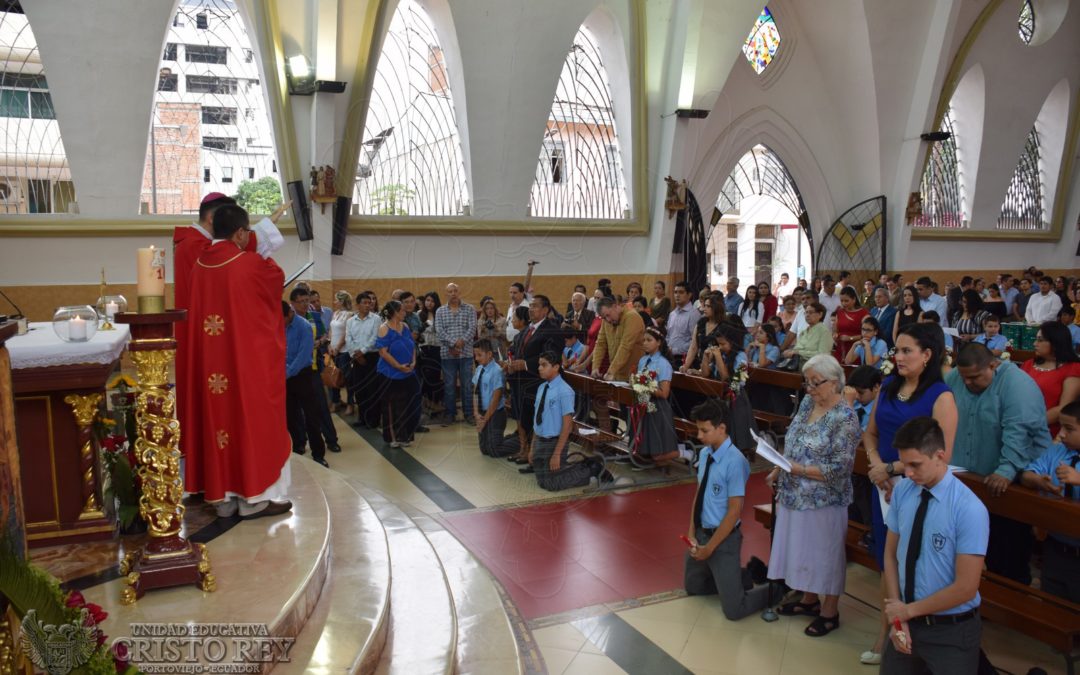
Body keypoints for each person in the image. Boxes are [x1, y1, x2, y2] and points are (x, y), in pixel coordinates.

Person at [182, 204, 293, 519]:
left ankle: (223, 497)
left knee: (219, 423)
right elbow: (275, 278)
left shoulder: (199, 265)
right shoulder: (248, 265)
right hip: (243, 365)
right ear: (241, 233)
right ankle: (254, 497)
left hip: (211, 367)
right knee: (249, 419)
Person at [860, 323, 956, 665]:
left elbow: (942, 453)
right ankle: (886, 634)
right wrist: (876, 465)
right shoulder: (888, 386)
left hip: (917, 488)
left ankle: (910, 637)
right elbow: (870, 435)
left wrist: (891, 469)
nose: (897, 357)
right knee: (887, 563)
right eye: (896, 351)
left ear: (927, 355)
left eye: (906, 351)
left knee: (910, 563)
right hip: (883, 487)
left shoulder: (940, 396)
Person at [881, 417, 989, 675]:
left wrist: (907, 611)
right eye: (904, 464)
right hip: (906, 620)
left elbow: (965, 587)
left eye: (915, 465)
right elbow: (890, 555)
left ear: (939, 456)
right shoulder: (904, 491)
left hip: (950, 632)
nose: (907, 473)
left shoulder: (969, 509)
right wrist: (898, 616)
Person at [767, 355, 861, 637]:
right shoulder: (809, 403)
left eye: (815, 383)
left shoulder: (845, 418)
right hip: (794, 493)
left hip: (824, 499)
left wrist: (798, 469)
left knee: (825, 554)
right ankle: (808, 599)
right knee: (801, 548)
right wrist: (778, 467)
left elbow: (840, 469)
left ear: (834, 383)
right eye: (806, 382)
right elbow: (794, 439)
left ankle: (829, 612)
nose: (809, 389)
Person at [946, 343, 1051, 584]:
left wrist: (1006, 470)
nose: (968, 383)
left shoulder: (1018, 385)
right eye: (964, 378)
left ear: (993, 365)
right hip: (971, 478)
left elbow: (1019, 432)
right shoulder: (955, 379)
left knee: (1009, 548)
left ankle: (1015, 601)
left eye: (974, 377)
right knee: (976, 547)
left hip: (1011, 480)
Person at [683, 398, 772, 619]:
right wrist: (692, 533)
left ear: (721, 428)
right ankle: (740, 578)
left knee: (734, 610)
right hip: (703, 533)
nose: (699, 436)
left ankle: (775, 590)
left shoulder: (735, 461)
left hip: (723, 540)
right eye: (698, 430)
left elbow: (734, 512)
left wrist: (710, 548)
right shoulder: (705, 454)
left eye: (704, 430)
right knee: (693, 587)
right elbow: (699, 494)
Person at [1019, 400, 1080, 603]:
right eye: (1061, 426)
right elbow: (1028, 474)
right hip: (1056, 544)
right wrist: (1038, 481)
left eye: (1069, 429)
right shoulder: (1058, 451)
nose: (1061, 434)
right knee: (1054, 602)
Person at [504, 297, 561, 459]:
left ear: (545, 310)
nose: (531, 309)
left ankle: (533, 453)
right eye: (530, 306)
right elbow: (516, 350)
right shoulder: (528, 329)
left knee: (532, 417)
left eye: (535, 306)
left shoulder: (552, 329)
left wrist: (526, 364)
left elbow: (551, 355)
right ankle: (523, 448)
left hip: (538, 381)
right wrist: (510, 363)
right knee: (521, 415)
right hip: (520, 381)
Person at [528, 351, 593, 490]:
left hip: (555, 442)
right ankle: (570, 468)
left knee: (552, 484)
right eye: (539, 365)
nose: (539, 368)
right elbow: (536, 419)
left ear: (556, 367)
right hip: (540, 440)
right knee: (542, 481)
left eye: (544, 365)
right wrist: (532, 447)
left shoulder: (565, 390)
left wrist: (557, 454)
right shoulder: (541, 388)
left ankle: (590, 468)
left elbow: (567, 425)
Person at [632, 327, 694, 466]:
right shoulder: (643, 360)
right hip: (645, 404)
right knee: (646, 448)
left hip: (658, 407)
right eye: (644, 340)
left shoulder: (663, 363)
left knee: (657, 454)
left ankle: (685, 453)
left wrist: (645, 386)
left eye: (649, 340)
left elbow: (664, 393)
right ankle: (671, 451)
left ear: (659, 342)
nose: (645, 343)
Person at [284, 299, 329, 467]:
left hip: (303, 375)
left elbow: (304, 355)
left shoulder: (304, 326)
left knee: (311, 416)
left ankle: (318, 454)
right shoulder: (278, 324)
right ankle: (298, 447)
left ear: (290, 313)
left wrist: (286, 372)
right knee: (291, 416)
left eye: (283, 319)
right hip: (286, 377)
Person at [590, 296, 646, 431]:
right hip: (620, 378)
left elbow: (625, 347)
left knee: (639, 417)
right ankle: (631, 444)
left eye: (608, 315)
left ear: (616, 306)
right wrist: (595, 367)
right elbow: (600, 343)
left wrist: (610, 371)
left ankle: (639, 447)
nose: (608, 320)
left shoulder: (632, 317)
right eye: (604, 317)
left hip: (637, 376)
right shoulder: (606, 321)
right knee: (627, 416)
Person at [1020, 321, 1080, 438]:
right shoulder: (1028, 364)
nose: (1034, 343)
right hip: (1019, 426)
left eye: (1040, 340)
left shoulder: (1073, 368)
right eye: (1036, 339)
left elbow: (1063, 408)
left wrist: (1029, 425)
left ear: (1056, 343)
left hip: (1048, 432)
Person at [375, 300, 420, 448]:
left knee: (407, 404)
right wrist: (398, 366)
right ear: (394, 312)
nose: (404, 312)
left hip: (407, 371)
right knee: (391, 406)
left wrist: (413, 362)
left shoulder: (405, 326)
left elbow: (412, 346)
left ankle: (405, 435)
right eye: (401, 310)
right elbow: (383, 353)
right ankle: (393, 437)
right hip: (390, 373)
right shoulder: (384, 328)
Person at [435, 283, 477, 425]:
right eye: (450, 291)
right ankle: (450, 414)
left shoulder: (470, 309)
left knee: (466, 385)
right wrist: (452, 344)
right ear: (446, 294)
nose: (453, 293)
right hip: (447, 355)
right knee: (449, 386)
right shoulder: (440, 311)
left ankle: (469, 414)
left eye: (455, 291)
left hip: (466, 354)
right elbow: (439, 331)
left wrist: (461, 342)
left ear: (459, 292)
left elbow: (472, 329)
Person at [345, 291, 381, 430]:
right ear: (357, 305)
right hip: (356, 358)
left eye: (369, 303)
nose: (368, 305)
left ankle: (373, 419)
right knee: (360, 390)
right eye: (364, 303)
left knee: (372, 389)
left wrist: (363, 351)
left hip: (371, 357)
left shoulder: (376, 319)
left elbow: (375, 338)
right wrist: (356, 354)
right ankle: (362, 418)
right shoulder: (350, 321)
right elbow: (348, 339)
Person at [471, 338, 507, 457]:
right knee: (484, 450)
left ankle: (516, 441)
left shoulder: (497, 371)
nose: (476, 358)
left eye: (479, 355)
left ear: (490, 354)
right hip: (482, 412)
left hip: (495, 413)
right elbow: (475, 392)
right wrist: (476, 413)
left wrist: (484, 420)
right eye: (475, 355)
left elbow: (496, 400)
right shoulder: (479, 369)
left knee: (494, 451)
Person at [328, 290, 355, 414]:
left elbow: (346, 333)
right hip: (333, 350)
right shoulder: (335, 313)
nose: (335, 302)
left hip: (343, 350)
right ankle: (336, 401)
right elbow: (331, 330)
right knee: (333, 377)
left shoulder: (350, 315)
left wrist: (338, 347)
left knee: (347, 378)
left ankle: (350, 403)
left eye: (337, 300)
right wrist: (330, 344)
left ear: (342, 301)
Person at [417, 292, 444, 414]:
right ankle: (425, 401)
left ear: (436, 302)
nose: (429, 303)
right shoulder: (418, 314)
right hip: (423, 348)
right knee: (425, 376)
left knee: (435, 376)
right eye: (427, 300)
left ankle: (435, 402)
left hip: (436, 348)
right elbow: (416, 331)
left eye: (432, 301)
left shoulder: (440, 314)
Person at [666, 281, 701, 363]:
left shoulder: (693, 314)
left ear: (689, 295)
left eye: (681, 292)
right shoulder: (672, 314)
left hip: (684, 358)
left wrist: (675, 350)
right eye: (675, 292)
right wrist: (667, 348)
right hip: (669, 356)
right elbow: (668, 335)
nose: (677, 295)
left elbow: (695, 341)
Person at [833, 287, 869, 362]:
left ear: (854, 300)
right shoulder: (840, 312)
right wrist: (835, 335)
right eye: (841, 301)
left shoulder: (863, 313)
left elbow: (868, 334)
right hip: (841, 349)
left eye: (846, 301)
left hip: (857, 350)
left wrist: (851, 338)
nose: (843, 303)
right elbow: (835, 330)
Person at [845, 365, 882, 432]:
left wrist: (849, 406)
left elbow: (856, 437)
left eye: (861, 392)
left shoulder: (879, 411)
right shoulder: (853, 401)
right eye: (854, 392)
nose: (856, 396)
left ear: (876, 387)